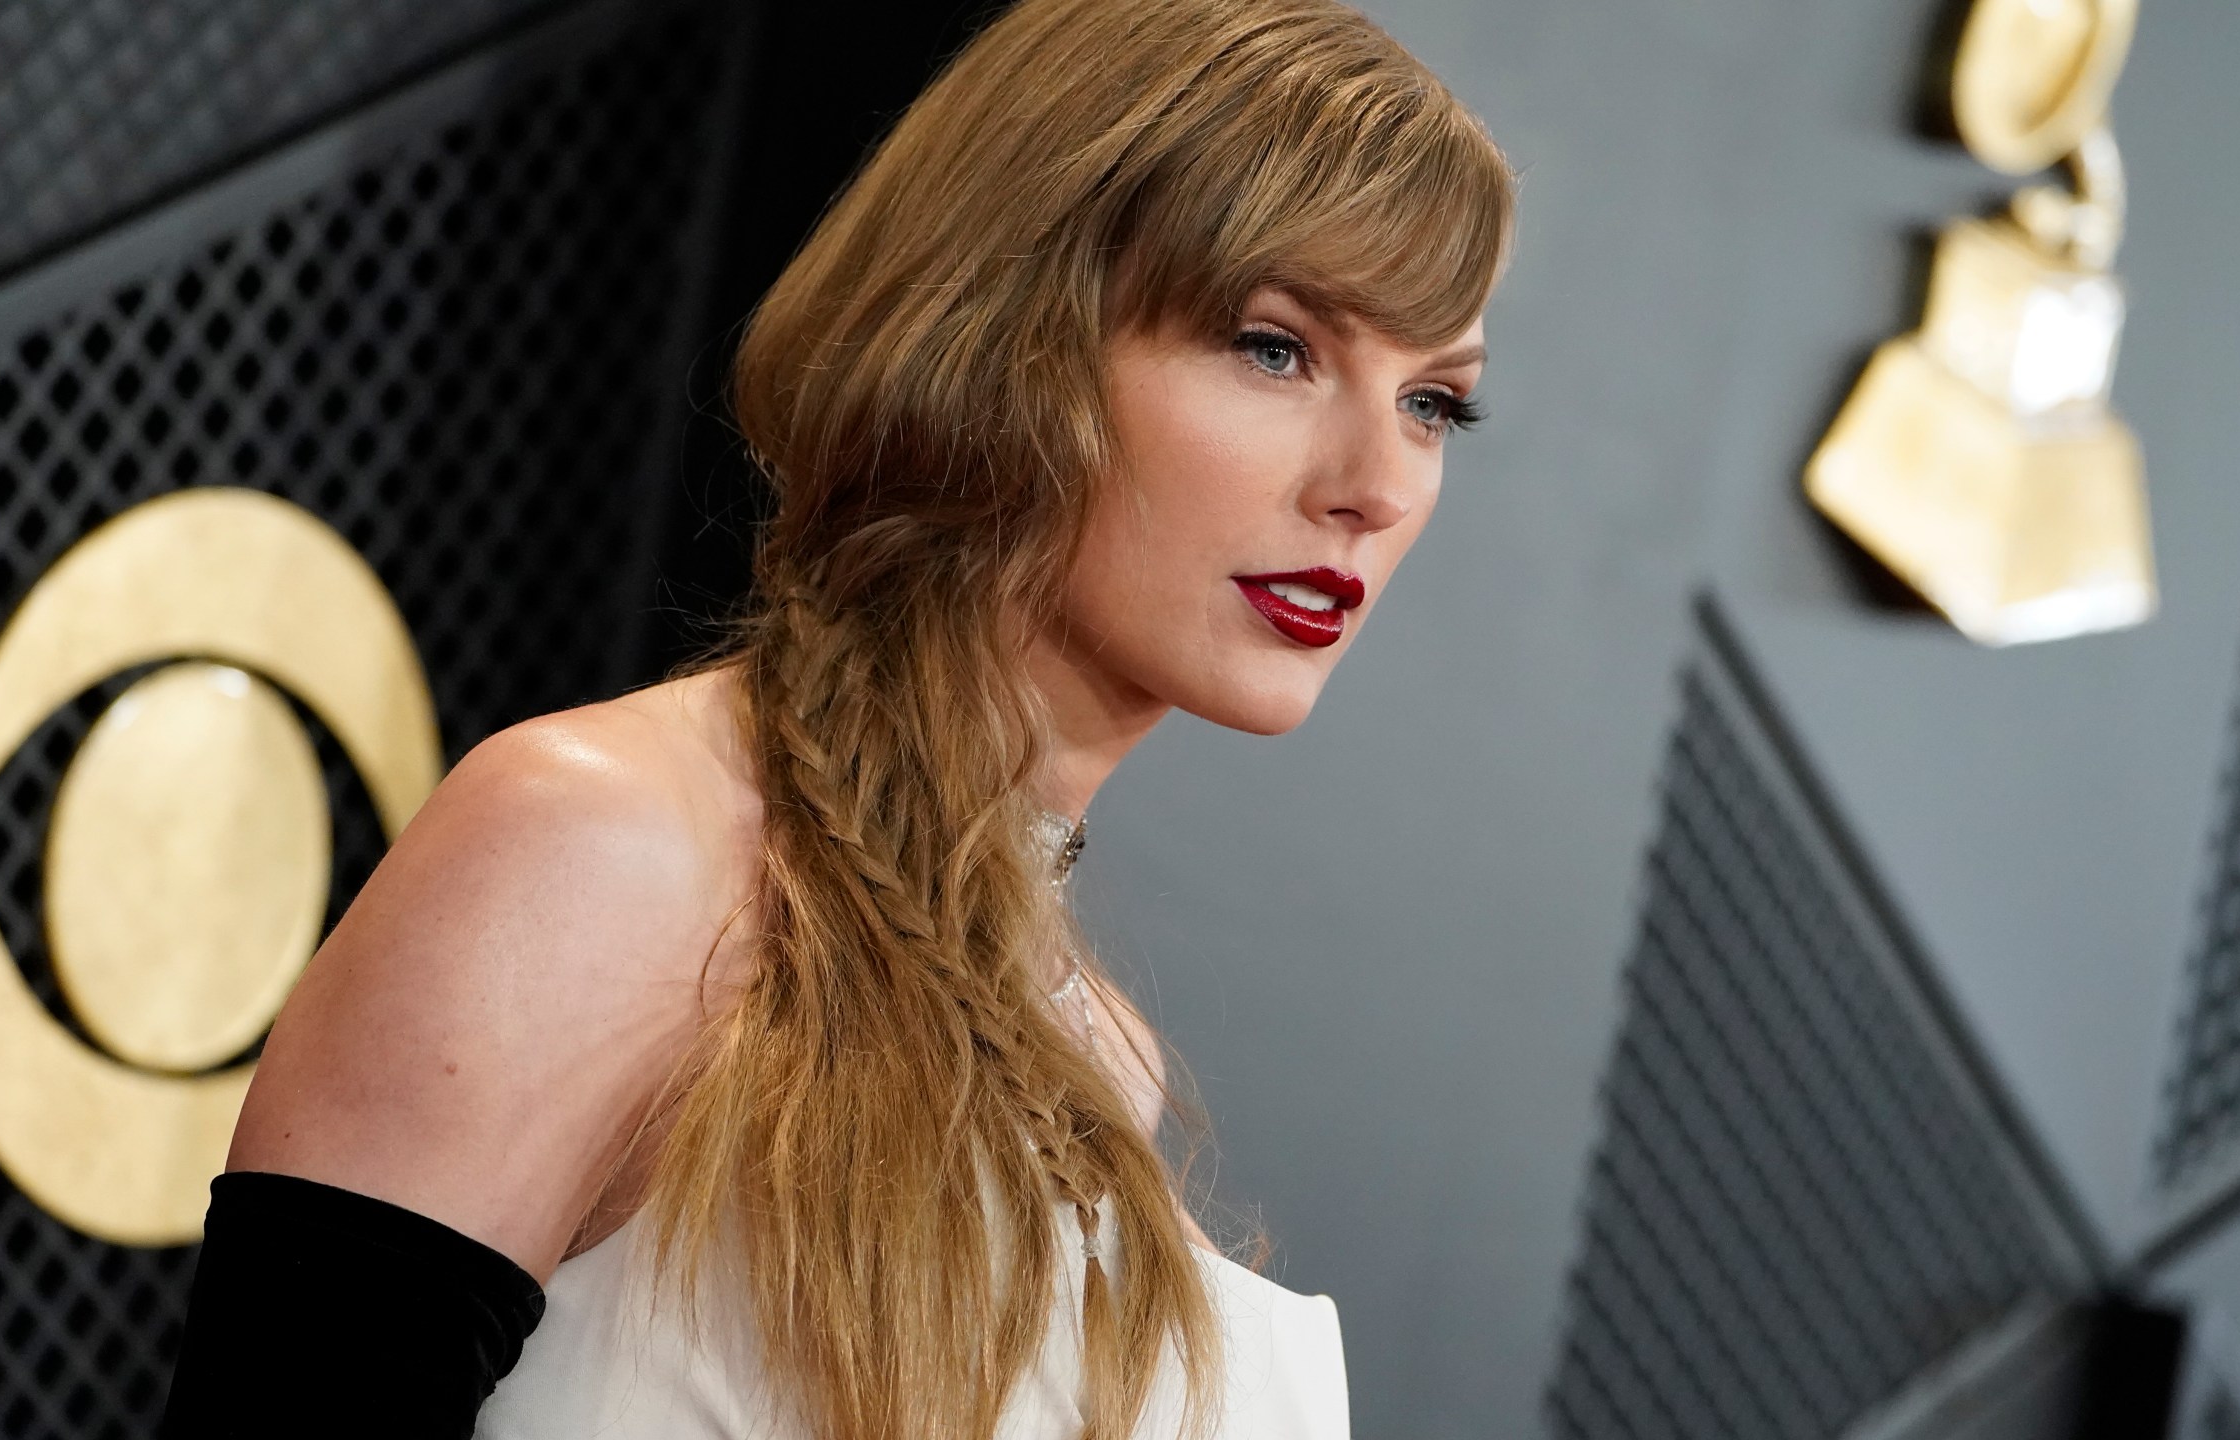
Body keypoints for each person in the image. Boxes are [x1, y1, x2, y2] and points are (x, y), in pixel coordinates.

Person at [158, 0, 1509, 1434]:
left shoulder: (1103, 1057)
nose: (1375, 482)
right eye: (1274, 347)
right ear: (1005, 336)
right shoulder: (608, 844)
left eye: (1436, 402)